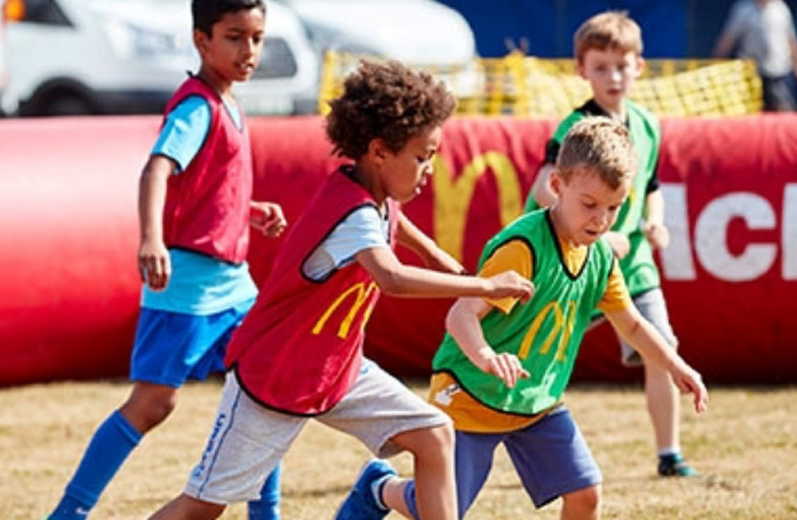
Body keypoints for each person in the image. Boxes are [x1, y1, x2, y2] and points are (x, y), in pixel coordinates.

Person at [143, 59, 535, 520]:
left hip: (336, 370)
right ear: (379, 150)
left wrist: (434, 253)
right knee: (203, 506)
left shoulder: (370, 191)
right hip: (278, 376)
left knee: (435, 435)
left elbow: (396, 221)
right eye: (422, 156)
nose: (429, 168)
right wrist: (485, 284)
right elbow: (391, 277)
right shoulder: (354, 215)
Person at [337, 117, 708, 520]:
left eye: (613, 208)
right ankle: (380, 487)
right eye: (589, 205)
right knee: (438, 510)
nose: (601, 220)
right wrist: (486, 357)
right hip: (473, 393)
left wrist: (676, 365)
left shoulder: (600, 255)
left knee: (586, 493)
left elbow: (631, 323)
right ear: (556, 186)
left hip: (536, 401)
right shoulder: (523, 248)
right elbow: (460, 316)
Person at [46, 1, 287, 518]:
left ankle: (266, 513)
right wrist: (151, 239)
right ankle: (68, 514)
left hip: (235, 284)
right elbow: (157, 170)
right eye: (234, 37)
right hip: (189, 285)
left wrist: (246, 212)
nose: (249, 50)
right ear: (202, 41)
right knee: (154, 404)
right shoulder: (197, 107)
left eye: (257, 38)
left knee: (267, 394)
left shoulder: (230, 104)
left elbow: (203, 193)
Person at [524, 10, 698, 478]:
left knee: (663, 344)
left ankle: (669, 454)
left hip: (631, 260)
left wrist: (654, 224)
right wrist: (601, 229)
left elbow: (652, 185)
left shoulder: (646, 124)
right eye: (600, 67)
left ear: (639, 66)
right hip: (568, 258)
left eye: (621, 66)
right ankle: (504, 428)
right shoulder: (575, 127)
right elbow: (545, 187)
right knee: (540, 351)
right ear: (582, 71)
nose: (613, 76)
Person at [713, 0, 797, 112]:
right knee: (753, 112)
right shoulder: (744, 10)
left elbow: (790, 39)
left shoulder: (781, 9)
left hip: (778, 71)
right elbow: (729, 38)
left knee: (784, 109)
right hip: (752, 73)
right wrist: (718, 62)